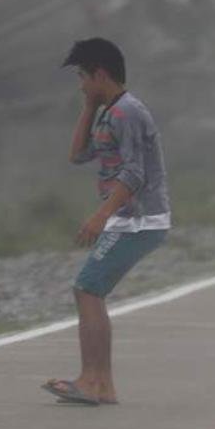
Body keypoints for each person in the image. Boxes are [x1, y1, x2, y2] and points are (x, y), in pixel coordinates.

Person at [42, 37, 171, 406]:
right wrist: (88, 106)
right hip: (128, 219)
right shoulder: (108, 111)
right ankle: (100, 384)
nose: (81, 84)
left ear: (100, 74)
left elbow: (134, 174)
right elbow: (78, 155)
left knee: (88, 289)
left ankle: (94, 381)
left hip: (139, 219)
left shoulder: (127, 112)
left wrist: (101, 216)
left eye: (83, 77)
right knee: (90, 290)